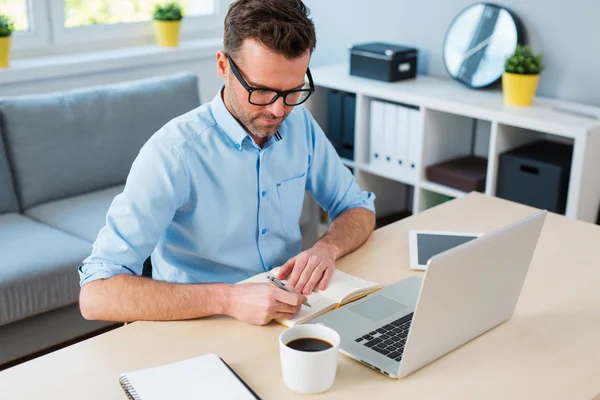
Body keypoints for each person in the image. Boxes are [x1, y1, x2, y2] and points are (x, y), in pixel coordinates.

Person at [78, 0, 376, 326]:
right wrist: (228, 298)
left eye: (292, 91)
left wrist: (326, 249)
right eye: (262, 91)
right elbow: (96, 294)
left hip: (284, 316)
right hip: (197, 323)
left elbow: (357, 208)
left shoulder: (300, 125)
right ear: (223, 66)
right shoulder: (173, 153)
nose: (279, 110)